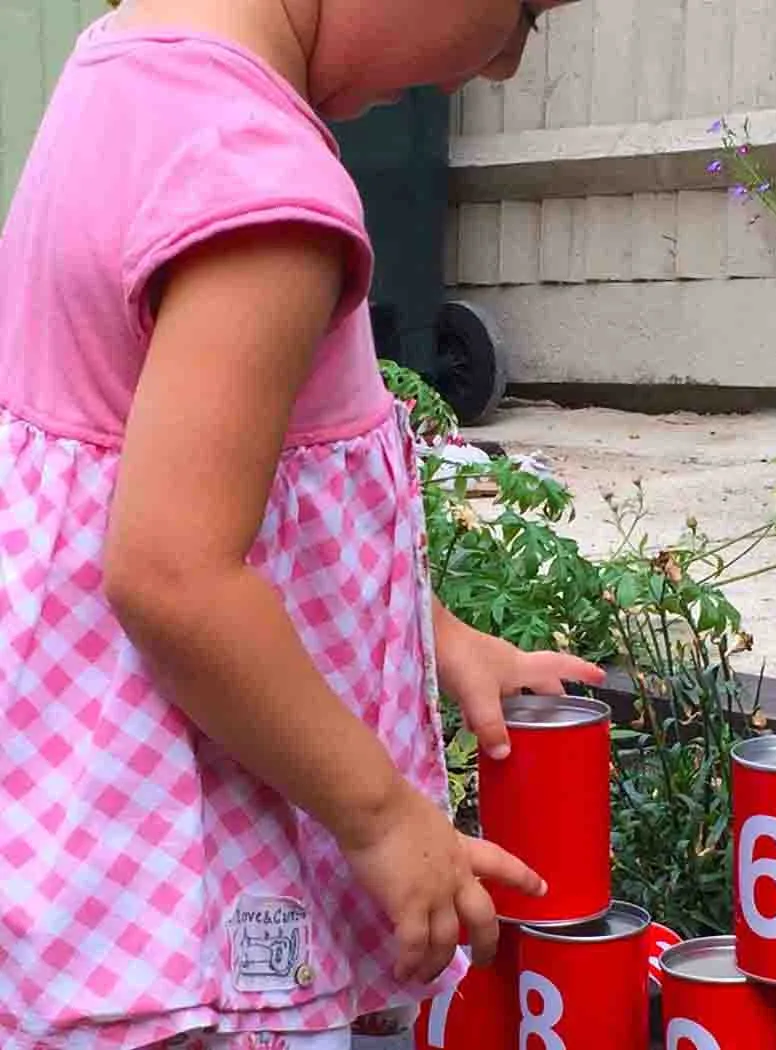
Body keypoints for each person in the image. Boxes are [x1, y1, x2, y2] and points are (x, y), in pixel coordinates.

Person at [0, 0, 599, 1047]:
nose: (504, 66)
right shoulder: (259, 186)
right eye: (524, 14)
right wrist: (383, 814)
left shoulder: (126, 78)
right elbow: (176, 575)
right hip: (197, 898)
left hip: (83, 848)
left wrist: (441, 639)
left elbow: (240, 506)